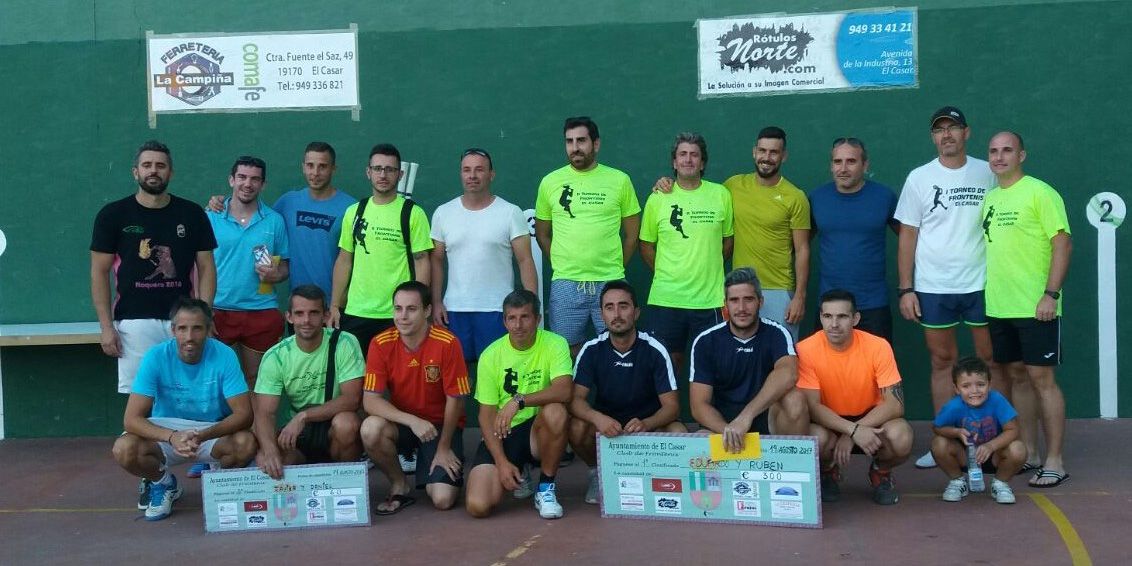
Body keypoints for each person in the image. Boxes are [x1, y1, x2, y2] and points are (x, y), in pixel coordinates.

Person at [894, 106, 1002, 470]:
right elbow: (908, 233)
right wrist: (906, 289)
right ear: (933, 137)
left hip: (982, 284)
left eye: (953, 128)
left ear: (966, 133)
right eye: (940, 130)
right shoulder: (919, 178)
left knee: (990, 361)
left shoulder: (988, 172)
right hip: (934, 286)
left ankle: (994, 441)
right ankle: (945, 441)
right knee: (943, 362)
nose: (946, 135)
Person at [655, 127, 810, 340]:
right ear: (754, 152)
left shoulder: (795, 196)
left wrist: (799, 297)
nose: (767, 157)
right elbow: (696, 190)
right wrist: (667, 183)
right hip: (740, 291)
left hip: (778, 290)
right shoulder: (731, 187)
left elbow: (802, 249)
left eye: (774, 152)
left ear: (784, 156)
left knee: (780, 358)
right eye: (762, 151)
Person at [110, 298, 256, 521]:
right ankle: (163, 483)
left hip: (211, 431)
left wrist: (203, 435)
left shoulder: (225, 355)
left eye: (197, 328)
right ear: (173, 330)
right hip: (166, 429)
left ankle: (218, 482)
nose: (189, 337)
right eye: (182, 328)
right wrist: (172, 437)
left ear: (208, 330)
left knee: (246, 443)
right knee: (124, 449)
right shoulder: (155, 357)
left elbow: (244, 414)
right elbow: (131, 420)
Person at [982, 131, 1072, 488]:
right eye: (993, 152)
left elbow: (1062, 243)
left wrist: (1050, 294)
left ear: (1022, 155)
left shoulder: (1041, 192)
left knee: (1042, 380)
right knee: (1017, 376)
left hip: (1038, 307)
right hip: (1000, 306)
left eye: (1007, 151)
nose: (1000, 157)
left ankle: (1055, 460)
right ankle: (1031, 453)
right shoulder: (990, 198)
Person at [91, 140, 217, 394]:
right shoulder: (113, 215)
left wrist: (205, 316)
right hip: (134, 323)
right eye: (146, 165)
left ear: (171, 172)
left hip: (184, 321)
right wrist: (106, 327)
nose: (153, 171)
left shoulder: (191, 213)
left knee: (187, 393)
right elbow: (99, 272)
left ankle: (181, 436)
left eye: (160, 165)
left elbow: (206, 267)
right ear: (135, 172)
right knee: (142, 399)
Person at [569, 281, 685, 504]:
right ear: (602, 314)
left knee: (678, 430)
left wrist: (646, 423)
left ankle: (659, 482)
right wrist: (598, 418)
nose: (617, 314)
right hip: (608, 427)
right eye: (609, 307)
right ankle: (597, 474)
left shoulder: (655, 348)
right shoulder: (592, 349)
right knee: (576, 426)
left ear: (636, 312)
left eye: (623, 306)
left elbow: (672, 407)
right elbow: (575, 401)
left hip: (646, 427)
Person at [360, 281, 471, 513]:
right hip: (404, 424)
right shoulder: (380, 344)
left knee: (443, 500)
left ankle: (441, 462)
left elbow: (456, 400)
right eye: (398, 308)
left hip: (441, 428)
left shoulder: (447, 343)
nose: (403, 316)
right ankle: (399, 484)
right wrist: (411, 420)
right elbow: (370, 400)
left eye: (411, 309)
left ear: (427, 311)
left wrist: (443, 447)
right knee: (370, 429)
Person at [534, 116, 641, 357]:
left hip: (611, 281)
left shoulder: (619, 180)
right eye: (569, 141)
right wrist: (563, 264)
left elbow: (632, 235)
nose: (575, 147)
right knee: (565, 353)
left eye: (581, 140)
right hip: (565, 283)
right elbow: (542, 234)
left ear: (596, 144)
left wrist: (613, 268)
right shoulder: (550, 182)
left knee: (619, 349)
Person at [797, 290, 912, 505]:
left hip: (872, 421)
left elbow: (895, 405)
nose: (834, 324)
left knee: (901, 436)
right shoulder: (805, 350)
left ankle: (881, 472)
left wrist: (853, 432)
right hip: (829, 422)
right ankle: (828, 471)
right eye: (828, 316)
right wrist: (850, 430)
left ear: (855, 319)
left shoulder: (878, 346)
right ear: (820, 317)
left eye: (842, 316)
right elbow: (812, 407)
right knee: (814, 439)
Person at [465, 290, 573, 519]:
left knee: (556, 412)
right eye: (511, 318)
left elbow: (564, 390)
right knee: (478, 506)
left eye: (525, 317)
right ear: (504, 321)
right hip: (502, 433)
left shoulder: (555, 344)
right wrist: (501, 463)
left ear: (537, 319)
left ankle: (545, 488)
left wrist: (519, 401)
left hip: (537, 431)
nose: (518, 325)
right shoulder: (490, 354)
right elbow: (485, 416)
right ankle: (515, 470)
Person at [430, 147, 539, 363]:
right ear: (460, 173)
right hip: (454, 311)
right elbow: (436, 261)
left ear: (491, 174)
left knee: (498, 376)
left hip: (498, 311)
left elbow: (525, 260)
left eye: (479, 170)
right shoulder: (443, 213)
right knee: (456, 381)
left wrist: (531, 307)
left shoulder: (510, 212)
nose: (472, 176)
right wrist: (436, 302)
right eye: (466, 170)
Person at [639, 133, 733, 372]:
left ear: (702, 163)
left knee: (710, 367)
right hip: (666, 299)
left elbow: (728, 241)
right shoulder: (658, 198)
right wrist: (668, 272)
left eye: (694, 155)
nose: (688, 160)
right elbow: (646, 246)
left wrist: (705, 267)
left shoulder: (721, 194)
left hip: (709, 300)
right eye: (683, 154)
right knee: (668, 367)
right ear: (674, 162)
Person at [689, 268, 809, 450]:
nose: (742, 308)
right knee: (697, 442)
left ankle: (786, 473)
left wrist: (746, 417)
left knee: (795, 400)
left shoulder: (777, 333)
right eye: (734, 300)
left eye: (749, 299)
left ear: (760, 302)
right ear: (725, 305)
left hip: (766, 419)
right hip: (724, 424)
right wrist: (729, 430)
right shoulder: (706, 340)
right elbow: (699, 406)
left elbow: (788, 374)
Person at [252, 285, 365, 480]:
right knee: (265, 460)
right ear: (289, 317)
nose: (306, 320)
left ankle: (345, 484)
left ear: (325, 315)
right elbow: (265, 413)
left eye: (314, 313)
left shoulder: (344, 342)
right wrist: (270, 452)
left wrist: (303, 416)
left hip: (332, 426)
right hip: (297, 434)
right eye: (299, 313)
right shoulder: (276, 355)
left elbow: (352, 399)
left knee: (346, 424)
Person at [330, 143, 432, 355]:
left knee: (395, 384)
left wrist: (418, 308)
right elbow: (344, 260)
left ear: (400, 174)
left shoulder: (413, 214)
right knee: (356, 382)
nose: (383, 174)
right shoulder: (354, 212)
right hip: (356, 312)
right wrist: (334, 305)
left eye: (390, 169)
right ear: (368, 172)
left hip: (396, 315)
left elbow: (422, 262)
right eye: (377, 168)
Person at [206, 156, 289, 387]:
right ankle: (227, 425)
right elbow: (197, 266)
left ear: (263, 185)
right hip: (219, 311)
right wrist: (204, 309)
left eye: (255, 179)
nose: (247, 184)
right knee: (220, 382)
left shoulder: (275, 221)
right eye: (242, 177)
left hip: (261, 311)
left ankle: (256, 426)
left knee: (256, 381)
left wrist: (276, 275)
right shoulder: (211, 217)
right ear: (231, 180)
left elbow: (285, 267)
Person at [808, 137, 899, 341]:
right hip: (829, 307)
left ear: (865, 165)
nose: (843, 168)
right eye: (837, 162)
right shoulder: (817, 198)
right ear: (831, 166)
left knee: (875, 371)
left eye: (851, 161)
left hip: (873, 304)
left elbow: (909, 239)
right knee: (827, 371)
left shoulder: (884, 197)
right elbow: (799, 245)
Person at [931, 356, 1026, 504]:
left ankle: (1000, 483)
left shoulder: (997, 400)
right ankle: (958, 481)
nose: (974, 391)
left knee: (1018, 449)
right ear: (956, 388)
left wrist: (991, 446)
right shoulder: (953, 406)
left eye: (980, 384)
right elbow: (937, 428)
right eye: (966, 386)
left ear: (989, 384)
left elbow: (1013, 430)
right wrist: (956, 432)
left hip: (994, 455)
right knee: (939, 444)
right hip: (965, 455)